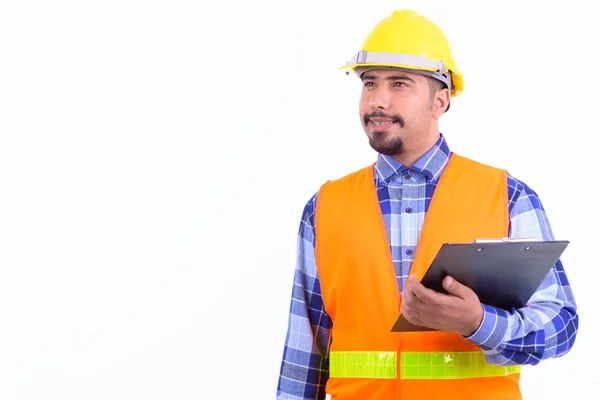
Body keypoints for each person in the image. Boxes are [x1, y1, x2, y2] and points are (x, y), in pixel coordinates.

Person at [276, 10, 578, 400]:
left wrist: (478, 323)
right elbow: (305, 351)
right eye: (369, 83)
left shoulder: (508, 196)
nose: (378, 100)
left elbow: (560, 324)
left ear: (441, 100)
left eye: (399, 84)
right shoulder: (324, 207)